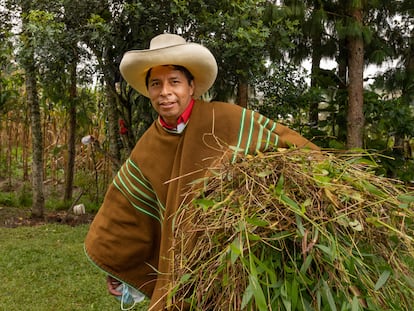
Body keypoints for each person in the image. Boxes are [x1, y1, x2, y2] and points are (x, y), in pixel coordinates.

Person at [84, 33, 319, 310]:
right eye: (156, 84)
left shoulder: (227, 119)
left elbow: (289, 146)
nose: (165, 92)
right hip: (183, 263)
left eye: (174, 82)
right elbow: (128, 210)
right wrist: (119, 266)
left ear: (191, 86)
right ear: (148, 91)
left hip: (236, 260)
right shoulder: (148, 147)